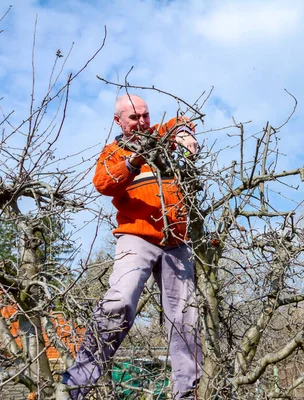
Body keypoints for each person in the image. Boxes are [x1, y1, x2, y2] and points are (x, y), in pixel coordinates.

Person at [57, 94, 202, 400]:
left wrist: (184, 132)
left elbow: (180, 120)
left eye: (145, 116)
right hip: (137, 236)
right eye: (134, 118)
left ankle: (185, 393)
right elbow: (103, 183)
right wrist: (134, 162)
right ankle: (78, 381)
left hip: (177, 241)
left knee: (186, 318)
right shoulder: (113, 151)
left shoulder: (160, 137)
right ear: (118, 121)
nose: (141, 122)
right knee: (120, 301)